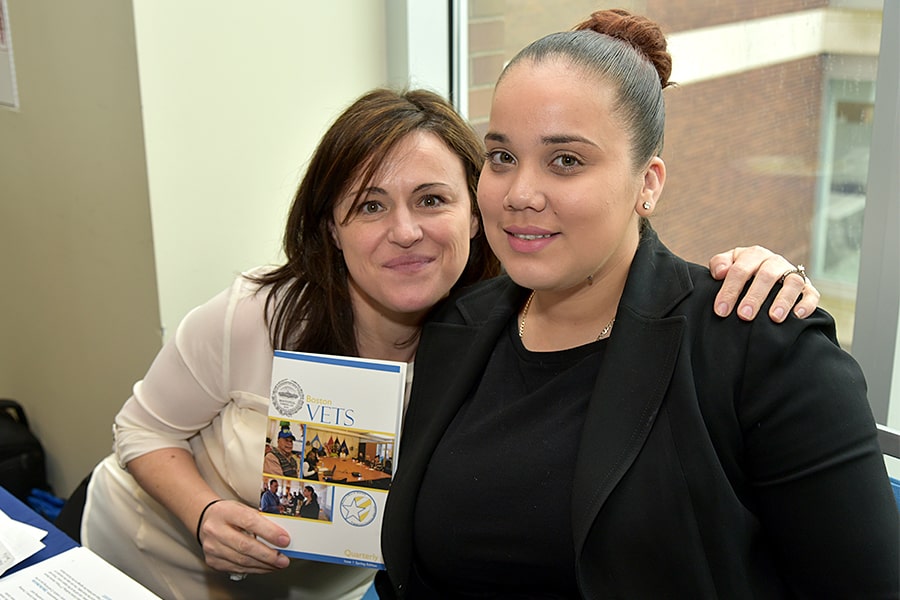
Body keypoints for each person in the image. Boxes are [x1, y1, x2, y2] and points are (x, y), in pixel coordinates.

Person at [72, 87, 817, 600]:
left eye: (432, 200)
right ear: (331, 227)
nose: (404, 232)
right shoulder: (257, 313)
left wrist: (758, 274)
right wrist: (203, 514)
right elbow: (140, 429)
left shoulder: (504, 334)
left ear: (475, 212)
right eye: (369, 205)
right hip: (146, 562)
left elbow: (621, 274)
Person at [376, 10, 899, 599]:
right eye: (501, 157)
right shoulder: (456, 329)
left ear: (647, 183)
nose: (519, 193)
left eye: (565, 160)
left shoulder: (760, 346)